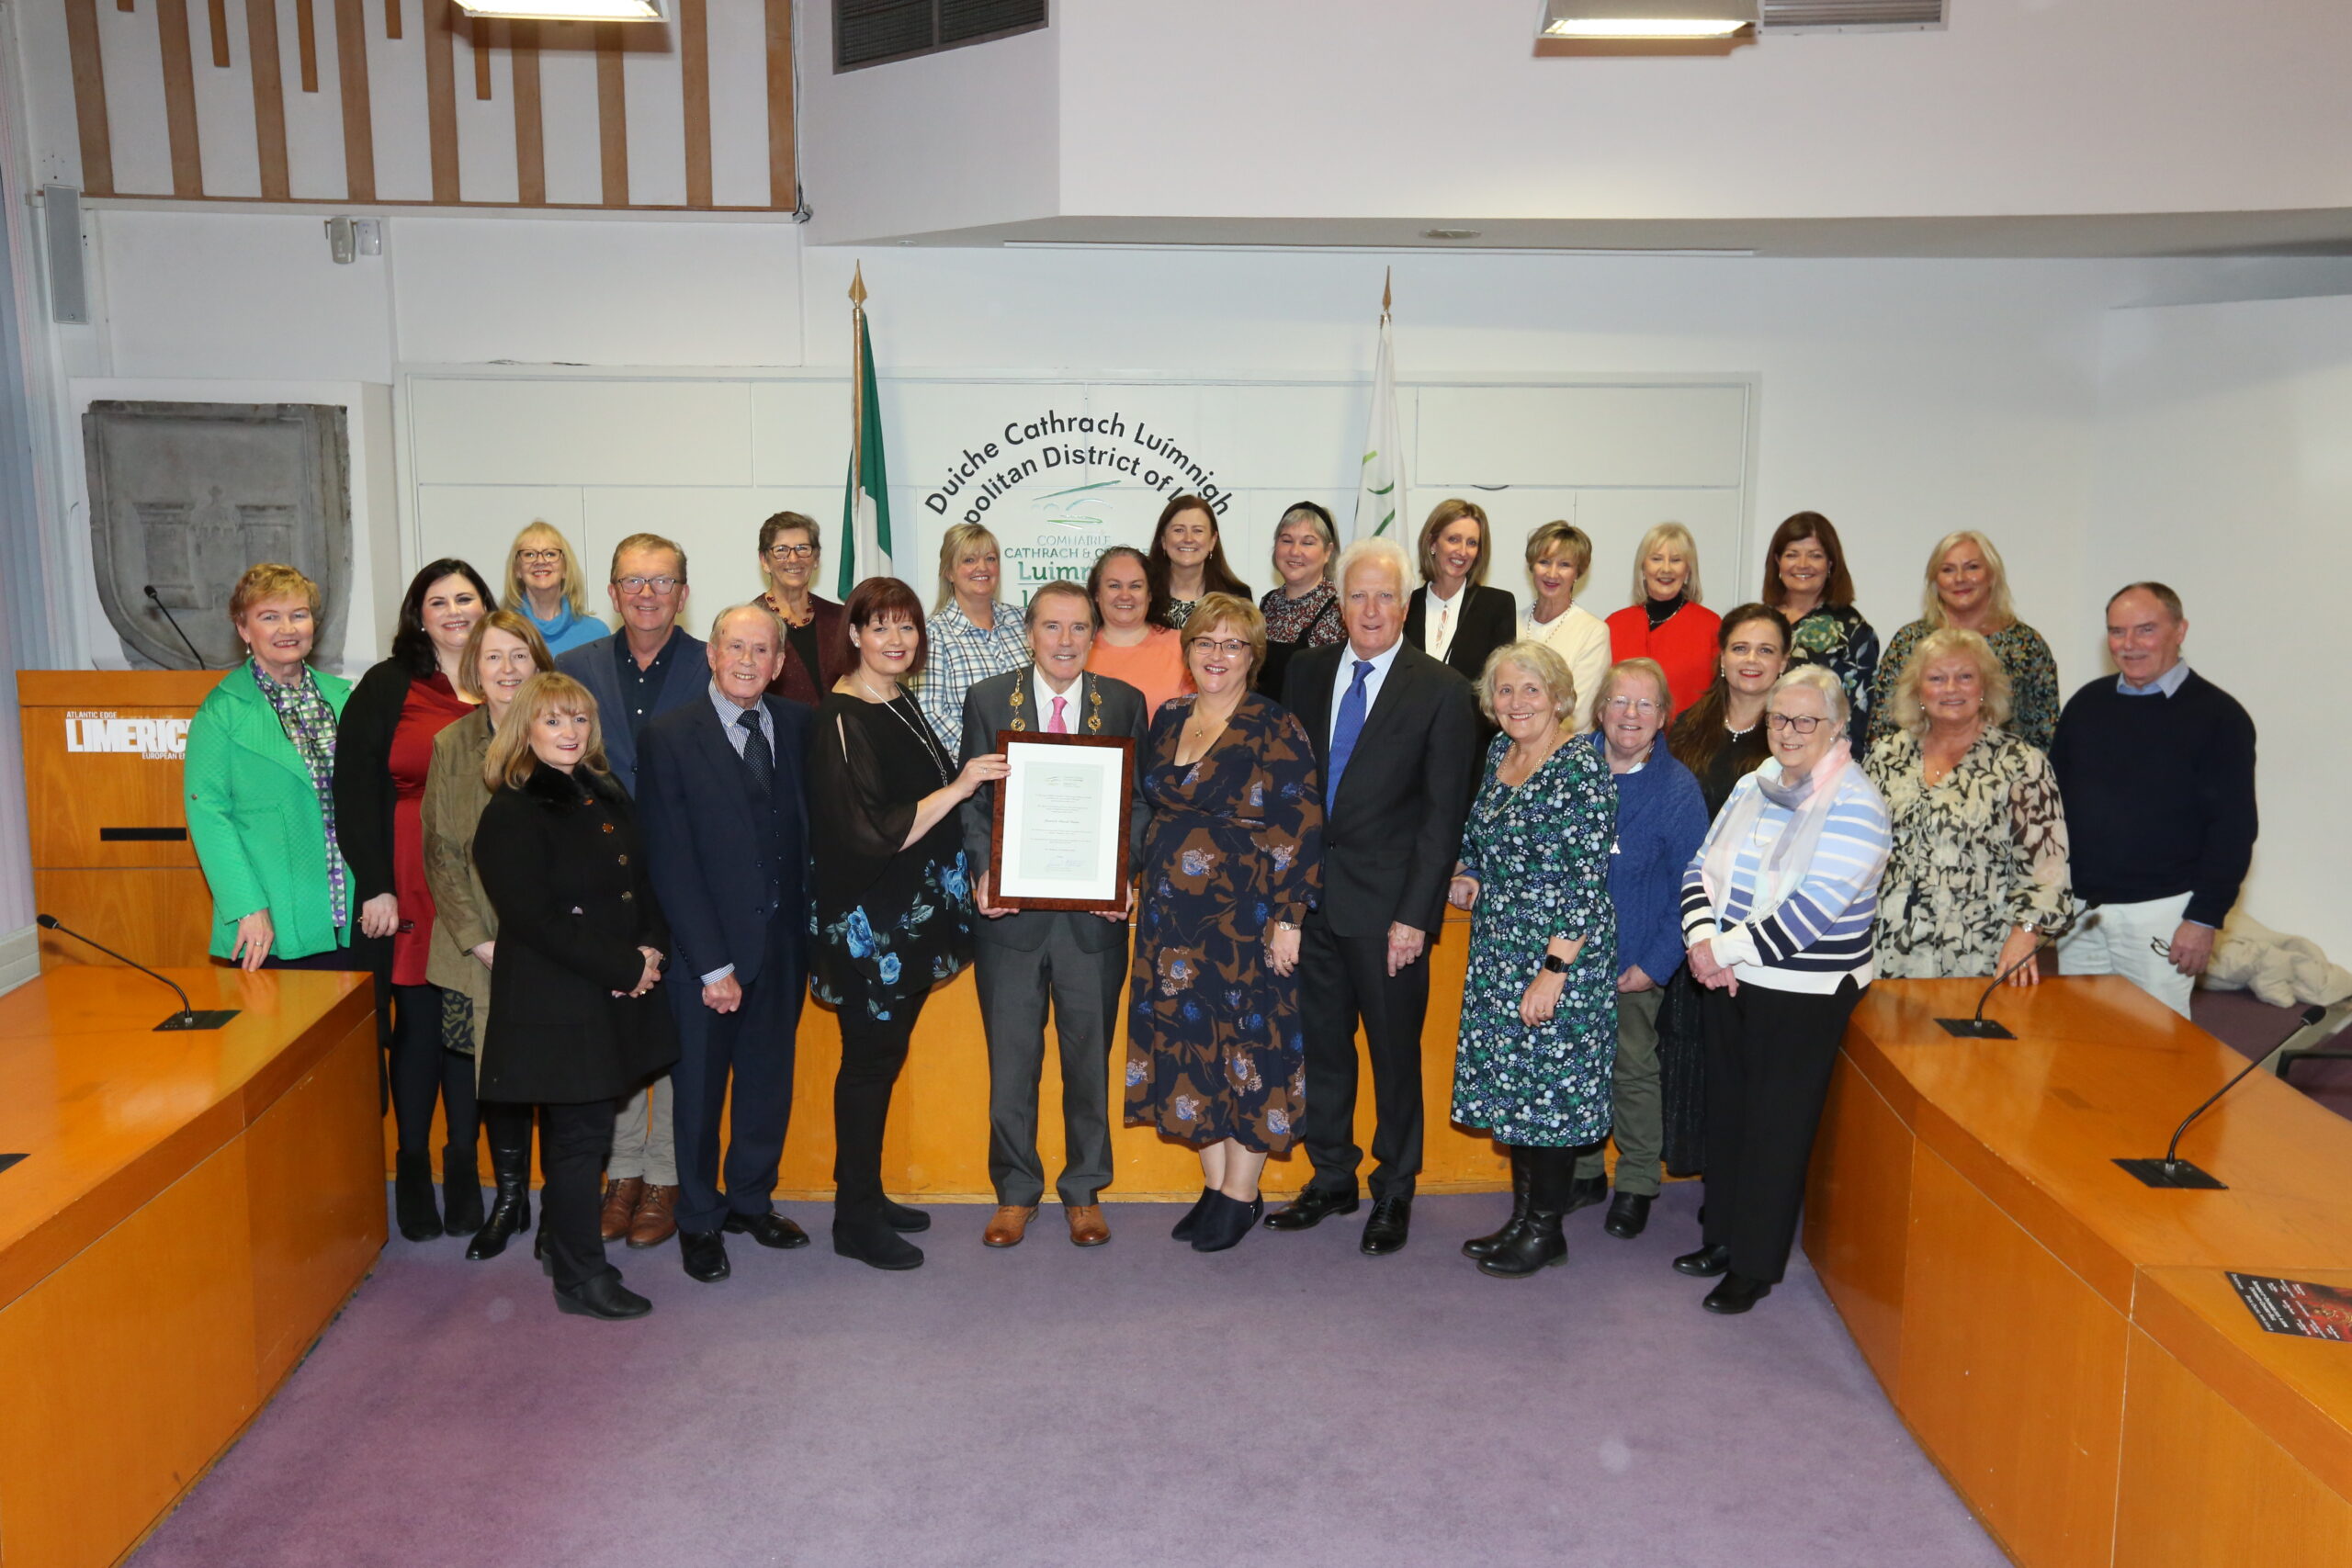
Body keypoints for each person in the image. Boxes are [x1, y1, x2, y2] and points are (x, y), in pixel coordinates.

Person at [1270, 536, 1480, 1256]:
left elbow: (1442, 814)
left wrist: (1416, 916)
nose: (1370, 609)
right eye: (1357, 594)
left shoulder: (1444, 690)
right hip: (1313, 905)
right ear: (1339, 600)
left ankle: (1395, 1188)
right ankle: (1333, 1176)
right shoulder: (1304, 671)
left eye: (1385, 596)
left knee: (1393, 1057)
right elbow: (1290, 794)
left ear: (1405, 604)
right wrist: (1286, 905)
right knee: (1323, 1048)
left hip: (1389, 913)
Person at [1676, 667, 1891, 1314]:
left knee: (1776, 1127)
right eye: (1778, 719)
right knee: (1730, 1113)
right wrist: (1700, 936)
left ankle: (1754, 1264)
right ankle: (1721, 1237)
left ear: (1836, 728)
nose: (1788, 732)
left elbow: (1812, 913)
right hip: (1732, 975)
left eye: (1804, 721)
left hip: (1803, 989)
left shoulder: (1857, 804)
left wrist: (1719, 950)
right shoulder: (1752, 783)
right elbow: (1701, 867)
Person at [809, 577, 1006, 1270]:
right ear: (854, 634)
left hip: (910, 919)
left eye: (908, 627)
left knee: (882, 1062)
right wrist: (959, 786)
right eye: (881, 626)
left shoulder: (898, 697)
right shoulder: (840, 715)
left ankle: (866, 1192)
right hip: (871, 931)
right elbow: (873, 831)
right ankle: (852, 1218)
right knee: (867, 1066)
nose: (897, 640)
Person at [473, 672, 678, 1320]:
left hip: (612, 989)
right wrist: (622, 963)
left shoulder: (605, 793)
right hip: (558, 1000)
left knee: (587, 1133)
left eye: (580, 720)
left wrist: (649, 951)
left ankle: (569, 1252)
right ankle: (579, 1276)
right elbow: (534, 919)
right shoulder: (512, 809)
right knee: (579, 1140)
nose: (570, 733)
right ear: (525, 730)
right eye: (555, 720)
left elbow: (641, 883)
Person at [1125, 594, 1322, 1253]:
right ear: (1187, 652)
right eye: (1205, 642)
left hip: (1246, 918)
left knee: (1247, 1047)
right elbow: (1149, 809)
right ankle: (1215, 1186)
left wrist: (1289, 918)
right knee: (1190, 1046)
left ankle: (1241, 1193)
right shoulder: (1169, 715)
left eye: (1232, 644)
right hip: (1171, 921)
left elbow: (1300, 825)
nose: (1217, 655)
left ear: (1253, 655)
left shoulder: (1274, 725)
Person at [960, 582, 1151, 1249]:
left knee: (1087, 1062)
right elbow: (972, 801)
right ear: (1030, 634)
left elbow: (1141, 805)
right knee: (1011, 1063)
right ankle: (1015, 1192)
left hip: (1091, 923)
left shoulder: (1123, 703)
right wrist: (983, 871)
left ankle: (1083, 1190)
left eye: (1077, 628)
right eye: (1051, 627)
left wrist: (1122, 873)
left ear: (1093, 633)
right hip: (1008, 921)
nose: (1065, 641)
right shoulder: (989, 700)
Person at [637, 604, 817, 1284]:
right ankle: (700, 1220)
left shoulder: (800, 726)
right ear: (712, 654)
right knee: (700, 1098)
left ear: (778, 663)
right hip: (705, 960)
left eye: (761, 649)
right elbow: (670, 859)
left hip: (785, 946)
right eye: (735, 645)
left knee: (768, 1088)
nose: (747, 659)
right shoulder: (669, 736)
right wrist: (713, 964)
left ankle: (750, 1201)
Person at [1444, 642, 1617, 1280]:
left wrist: (1554, 969)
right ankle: (1524, 1219)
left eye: (1531, 689)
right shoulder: (1500, 753)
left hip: (1557, 953)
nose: (1517, 702)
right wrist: (1467, 869)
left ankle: (1545, 1229)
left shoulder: (1581, 767)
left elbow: (1586, 877)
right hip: (1499, 947)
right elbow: (1478, 834)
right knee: (1516, 1091)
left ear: (1560, 697)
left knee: (1549, 1094)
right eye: (1506, 691)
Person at [334, 559, 494, 1243]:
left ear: (486, 605)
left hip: (482, 879)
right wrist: (375, 881)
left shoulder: (507, 678)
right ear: (418, 614)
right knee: (421, 1026)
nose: (455, 610)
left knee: (471, 1025)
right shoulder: (388, 684)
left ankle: (463, 1163)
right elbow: (352, 786)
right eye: (439, 601)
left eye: (466, 597)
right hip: (406, 875)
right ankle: (411, 1163)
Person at [558, 532, 704, 1249]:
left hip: (687, 877)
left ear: (683, 591)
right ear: (611, 594)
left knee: (673, 1024)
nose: (647, 594)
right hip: (602, 879)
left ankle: (666, 1175)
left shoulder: (716, 664)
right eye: (633, 582)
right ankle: (622, 1173)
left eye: (662, 581)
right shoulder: (572, 667)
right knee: (614, 1017)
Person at [2049, 583, 2256, 1019]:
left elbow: (2233, 830)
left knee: (2158, 1052)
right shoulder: (2086, 705)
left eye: (2145, 630)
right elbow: (2054, 803)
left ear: (2179, 630)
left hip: (2163, 913)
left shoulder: (2220, 717)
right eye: (2117, 631)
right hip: (2083, 912)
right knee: (2079, 1040)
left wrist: (2203, 919)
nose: (2129, 644)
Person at [421, 609, 553, 1263]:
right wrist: (478, 938)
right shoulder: (451, 745)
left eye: (519, 656)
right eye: (493, 657)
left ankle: (558, 1200)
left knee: (558, 1074)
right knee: (493, 1075)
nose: (506, 670)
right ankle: (508, 1198)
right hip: (476, 951)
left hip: (554, 949)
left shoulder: (563, 735)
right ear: (475, 668)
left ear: (539, 665)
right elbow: (441, 853)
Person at [1566, 659, 1709, 1240]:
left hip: (1634, 962)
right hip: (1567, 958)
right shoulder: (1569, 768)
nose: (1630, 715)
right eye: (1620, 702)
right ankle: (1582, 1172)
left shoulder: (1677, 789)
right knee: (1575, 1069)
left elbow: (1694, 885)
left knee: (1631, 1072)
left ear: (1664, 718)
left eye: (1645, 705)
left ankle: (1637, 1181)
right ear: (1600, 709)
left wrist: (1656, 964)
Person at [186, 564, 376, 979]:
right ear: (243, 628)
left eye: (299, 614)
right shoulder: (221, 712)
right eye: (269, 616)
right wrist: (247, 907)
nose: (287, 628)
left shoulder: (345, 699)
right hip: (272, 916)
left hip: (353, 912)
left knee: (356, 1038)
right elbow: (209, 817)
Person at [1866, 628, 2072, 983]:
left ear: (1984, 689)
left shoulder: (2021, 762)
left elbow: (2047, 867)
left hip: (1979, 953)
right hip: (1885, 947)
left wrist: (2025, 933)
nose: (1951, 689)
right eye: (1936, 678)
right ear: (1917, 691)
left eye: (1964, 677)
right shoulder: (1886, 755)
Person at [1869, 530, 2059, 752]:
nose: (1960, 578)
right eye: (1948, 570)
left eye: (1972, 567)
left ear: (1992, 576)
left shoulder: (2027, 645)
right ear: (1935, 581)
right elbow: (1881, 725)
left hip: (2005, 777)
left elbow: (2046, 733)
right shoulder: (1908, 641)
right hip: (1915, 775)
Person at [911, 522, 1029, 754]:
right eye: (969, 560)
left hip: (1031, 764)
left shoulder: (1024, 621)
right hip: (971, 775)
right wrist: (986, 756)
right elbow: (929, 713)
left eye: (990, 558)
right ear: (949, 572)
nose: (982, 567)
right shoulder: (932, 634)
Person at [1668, 604, 1793, 818]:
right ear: (1723, 658)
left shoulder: (1793, 734)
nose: (1751, 659)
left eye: (1765, 650)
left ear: (1782, 662)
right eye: (1740, 648)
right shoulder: (1687, 725)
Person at [1763, 512, 1879, 729]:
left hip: (1821, 753)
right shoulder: (1759, 622)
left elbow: (1860, 714)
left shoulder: (1853, 631)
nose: (1803, 564)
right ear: (1778, 561)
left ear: (1831, 563)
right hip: (1756, 750)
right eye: (1792, 555)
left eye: (1815, 555)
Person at [1607, 522, 1722, 715]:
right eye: (1657, 559)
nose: (1666, 569)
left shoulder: (1711, 626)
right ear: (1643, 568)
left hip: (1689, 741)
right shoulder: (1615, 625)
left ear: (1688, 571)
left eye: (1676, 560)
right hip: (1624, 740)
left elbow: (1722, 697)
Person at [1404, 499, 1518, 686]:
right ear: (1432, 544)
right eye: (1453, 540)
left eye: (1472, 543)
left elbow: (1500, 683)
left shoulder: (1497, 605)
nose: (1463, 551)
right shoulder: (1406, 606)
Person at [1518, 520, 1611, 734]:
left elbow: (1578, 713)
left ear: (1578, 573)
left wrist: (1520, 726)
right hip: (1511, 753)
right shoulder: (1509, 622)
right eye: (1544, 561)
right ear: (1531, 566)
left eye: (1564, 565)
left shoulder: (1593, 631)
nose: (1552, 573)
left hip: (1563, 755)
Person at [1086, 545, 1193, 720]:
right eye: (1114, 586)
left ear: (1149, 594)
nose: (1125, 595)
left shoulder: (1183, 645)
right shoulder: (1077, 649)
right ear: (1097, 594)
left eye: (1135, 586)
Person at [753, 510, 849, 707]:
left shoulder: (841, 619)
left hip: (840, 735)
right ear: (764, 561)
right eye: (781, 550)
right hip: (779, 736)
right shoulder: (750, 623)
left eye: (802, 548)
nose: (793, 559)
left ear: (816, 559)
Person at [1256, 502, 1346, 700]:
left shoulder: (1340, 608)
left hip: (1308, 727)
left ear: (1328, 552)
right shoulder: (1268, 603)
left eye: (1307, 542)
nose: (1295, 551)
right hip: (1261, 724)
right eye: (1286, 540)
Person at [1146, 493, 1251, 629]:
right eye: (1179, 530)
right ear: (1164, 540)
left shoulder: (1237, 597)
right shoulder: (1143, 595)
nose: (1188, 539)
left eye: (1198, 531)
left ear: (1212, 541)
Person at [503, 520, 606, 655]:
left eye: (550, 554)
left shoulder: (595, 633)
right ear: (517, 569)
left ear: (565, 568)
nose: (540, 561)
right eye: (529, 554)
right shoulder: (502, 632)